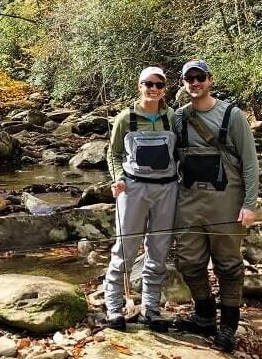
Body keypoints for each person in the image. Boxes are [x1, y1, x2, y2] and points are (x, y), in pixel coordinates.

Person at [172, 59, 260, 352]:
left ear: (210, 80)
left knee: (228, 265)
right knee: (188, 261)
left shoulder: (233, 116)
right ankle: (205, 315)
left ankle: (228, 325)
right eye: (189, 79)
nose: (195, 83)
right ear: (183, 83)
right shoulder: (179, 118)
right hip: (189, 201)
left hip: (226, 201)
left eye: (200, 78)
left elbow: (250, 163)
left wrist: (250, 204)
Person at [103, 66, 178, 333]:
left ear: (164, 89)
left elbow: (181, 152)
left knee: (158, 251)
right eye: (148, 84)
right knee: (124, 249)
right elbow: (113, 154)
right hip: (133, 190)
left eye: (159, 85)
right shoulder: (126, 118)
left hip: (167, 190)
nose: (153, 89)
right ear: (140, 86)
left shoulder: (172, 117)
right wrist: (117, 178)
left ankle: (151, 309)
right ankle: (113, 307)